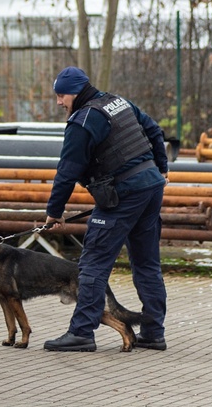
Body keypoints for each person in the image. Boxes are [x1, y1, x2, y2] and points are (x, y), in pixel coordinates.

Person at [42, 66, 169, 352]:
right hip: (151, 188)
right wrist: (162, 168)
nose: (59, 102)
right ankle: (153, 332)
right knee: (147, 264)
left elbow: (68, 170)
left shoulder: (83, 120)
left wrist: (54, 211)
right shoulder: (118, 102)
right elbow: (155, 131)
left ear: (74, 92)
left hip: (122, 196)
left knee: (93, 264)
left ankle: (82, 333)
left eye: (61, 96)